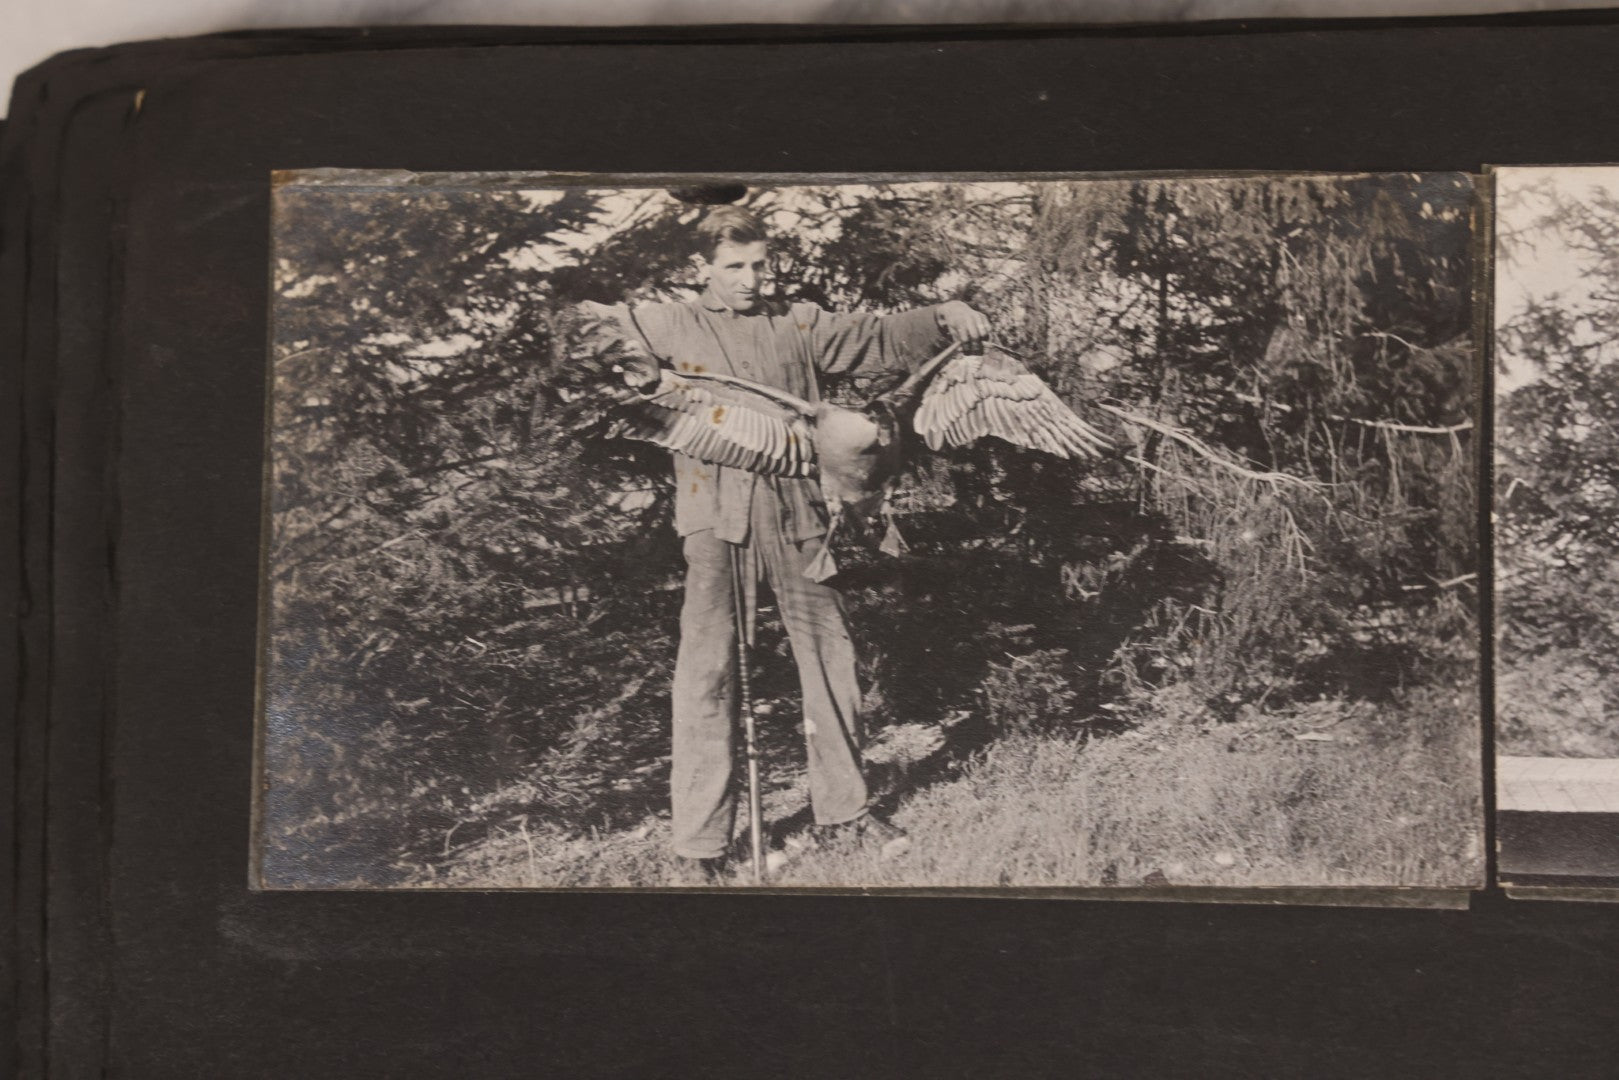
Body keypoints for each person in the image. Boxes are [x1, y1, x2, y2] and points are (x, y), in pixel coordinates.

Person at [578, 204, 991, 879]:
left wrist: (943, 314)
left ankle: (844, 814)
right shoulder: (670, 321)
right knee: (706, 674)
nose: (749, 280)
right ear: (700, 269)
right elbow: (600, 335)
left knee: (829, 659)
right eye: (733, 268)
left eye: (758, 265)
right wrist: (633, 371)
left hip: (801, 515)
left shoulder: (794, 323)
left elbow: (877, 337)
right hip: (715, 518)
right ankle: (702, 844)